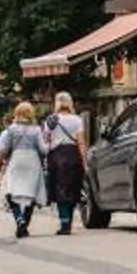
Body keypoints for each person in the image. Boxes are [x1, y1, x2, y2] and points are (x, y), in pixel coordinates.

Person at [37, 90, 86, 234]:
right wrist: (84, 161)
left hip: (56, 156)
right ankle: (68, 221)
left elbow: (46, 140)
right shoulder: (77, 120)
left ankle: (64, 222)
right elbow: (81, 142)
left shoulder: (51, 120)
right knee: (72, 188)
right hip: (73, 154)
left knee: (59, 190)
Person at [0, 103, 44, 239]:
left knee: (10, 191)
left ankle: (19, 219)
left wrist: (4, 158)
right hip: (33, 160)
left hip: (16, 160)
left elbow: (3, 149)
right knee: (31, 193)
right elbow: (43, 149)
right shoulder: (37, 130)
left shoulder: (11, 129)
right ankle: (24, 223)